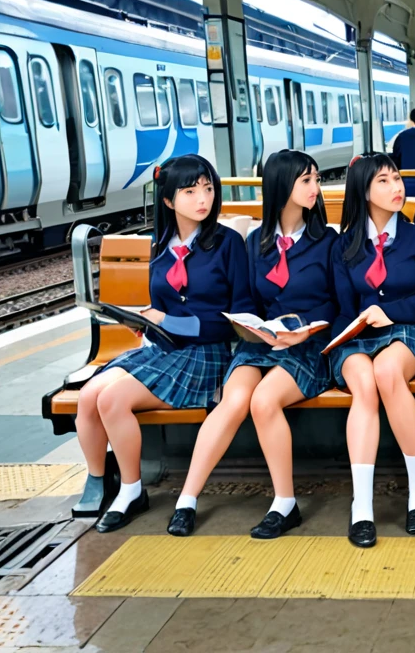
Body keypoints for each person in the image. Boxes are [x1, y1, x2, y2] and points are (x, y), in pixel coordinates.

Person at [74, 154, 250, 532]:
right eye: (190, 191)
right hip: (165, 351)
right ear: (168, 200)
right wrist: (145, 319)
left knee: (111, 399)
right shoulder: (162, 244)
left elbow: (237, 318)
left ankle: (132, 489)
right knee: (88, 398)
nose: (203, 198)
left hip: (205, 356)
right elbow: (165, 304)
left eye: (207, 188)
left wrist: (167, 320)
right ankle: (98, 479)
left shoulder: (227, 243)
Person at [168, 150, 335, 539]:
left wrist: (305, 328)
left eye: (316, 180)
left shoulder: (326, 241)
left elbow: (336, 302)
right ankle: (187, 500)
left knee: (263, 401)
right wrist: (252, 327)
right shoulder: (255, 242)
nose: (316, 188)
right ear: (282, 186)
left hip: (308, 345)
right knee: (234, 399)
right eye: (306, 180)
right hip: (261, 343)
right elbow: (244, 301)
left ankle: (285, 502)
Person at [330, 153, 415, 547]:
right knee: (363, 380)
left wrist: (388, 312)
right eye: (384, 181)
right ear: (362, 190)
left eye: (397, 178)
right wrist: (353, 327)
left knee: (387, 373)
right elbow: (343, 309)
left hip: (407, 330)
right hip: (357, 338)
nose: (397, 188)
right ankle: (362, 506)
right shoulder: (345, 245)